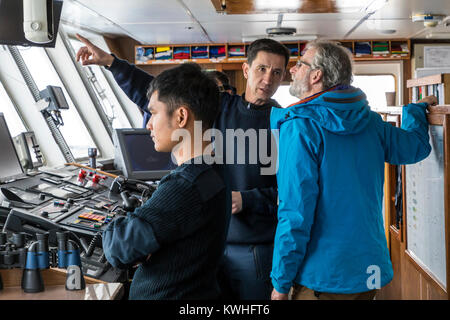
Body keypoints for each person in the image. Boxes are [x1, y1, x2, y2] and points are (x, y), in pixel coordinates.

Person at [76, 34, 290, 300]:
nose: (268, 79)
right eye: (262, 68)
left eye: (277, 72)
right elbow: (165, 98)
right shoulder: (218, 107)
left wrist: (247, 200)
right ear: (246, 70)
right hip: (211, 242)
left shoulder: (284, 126)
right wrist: (112, 63)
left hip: (253, 249)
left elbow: (289, 195)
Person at [270, 40, 436, 300]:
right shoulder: (371, 122)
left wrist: (280, 283)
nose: (292, 70)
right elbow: (415, 147)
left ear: (316, 75)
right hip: (367, 271)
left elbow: (295, 213)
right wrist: (415, 110)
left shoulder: (301, 127)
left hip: (322, 277)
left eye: (299, 64)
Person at [102, 63, 230, 300]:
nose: (148, 123)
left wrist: (118, 223)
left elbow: (119, 249)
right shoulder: (213, 170)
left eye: (153, 112)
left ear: (181, 116)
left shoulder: (186, 185)